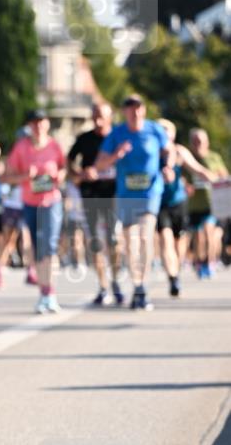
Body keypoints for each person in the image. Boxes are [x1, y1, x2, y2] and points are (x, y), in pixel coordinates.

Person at [96, 95, 171, 311]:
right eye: (130, 109)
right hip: (126, 194)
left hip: (150, 192)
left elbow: (169, 151)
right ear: (124, 112)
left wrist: (168, 167)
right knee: (130, 242)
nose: (135, 112)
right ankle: (136, 283)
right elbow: (100, 164)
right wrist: (116, 155)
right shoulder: (117, 133)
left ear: (144, 110)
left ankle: (141, 287)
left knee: (146, 236)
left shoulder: (155, 130)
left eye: (138, 108)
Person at [4, 110, 66, 314]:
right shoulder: (21, 147)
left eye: (42, 122)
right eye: (34, 123)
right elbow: (6, 177)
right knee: (39, 249)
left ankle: (51, 292)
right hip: (30, 203)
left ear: (47, 124)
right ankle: (43, 293)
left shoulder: (54, 146)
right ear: (30, 126)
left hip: (52, 202)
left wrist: (59, 176)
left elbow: (65, 168)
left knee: (50, 246)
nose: (38, 126)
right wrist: (24, 176)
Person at [67, 102, 123, 306]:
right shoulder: (84, 138)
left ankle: (116, 281)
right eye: (95, 115)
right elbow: (69, 160)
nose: (98, 119)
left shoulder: (117, 136)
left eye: (102, 115)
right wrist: (79, 174)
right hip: (89, 194)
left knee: (114, 241)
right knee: (95, 242)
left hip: (113, 193)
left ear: (110, 116)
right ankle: (102, 286)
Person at [156, 120, 216, 296]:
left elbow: (199, 170)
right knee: (165, 240)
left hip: (179, 203)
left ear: (173, 134)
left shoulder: (180, 151)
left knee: (178, 244)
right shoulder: (151, 152)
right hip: (159, 203)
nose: (164, 134)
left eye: (167, 131)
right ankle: (173, 278)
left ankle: (177, 269)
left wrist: (219, 182)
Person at [186, 128, 228, 277]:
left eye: (200, 141)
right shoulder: (188, 158)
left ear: (207, 142)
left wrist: (217, 177)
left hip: (212, 204)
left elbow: (224, 176)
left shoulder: (214, 157)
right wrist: (186, 186)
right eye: (195, 141)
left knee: (209, 231)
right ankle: (199, 262)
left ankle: (210, 262)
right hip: (194, 205)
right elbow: (183, 178)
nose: (198, 144)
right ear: (191, 143)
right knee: (198, 235)